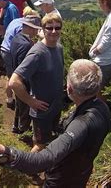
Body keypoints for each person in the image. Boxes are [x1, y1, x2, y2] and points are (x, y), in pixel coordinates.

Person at [0, 59, 111, 188]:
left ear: (70, 89)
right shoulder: (102, 107)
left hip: (60, 181)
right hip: (80, 175)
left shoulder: (81, 125)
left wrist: (1, 150)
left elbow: (41, 161)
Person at [9, 13, 64, 153]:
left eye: (57, 28)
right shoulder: (37, 53)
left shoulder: (58, 48)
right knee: (40, 145)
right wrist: (31, 101)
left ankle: (44, 165)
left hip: (55, 107)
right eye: (49, 27)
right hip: (42, 111)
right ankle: (29, 169)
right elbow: (14, 82)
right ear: (43, 29)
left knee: (48, 141)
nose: (53, 31)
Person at [0, 7, 40, 110]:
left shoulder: (15, 21)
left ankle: (11, 99)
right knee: (15, 78)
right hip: (10, 51)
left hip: (6, 48)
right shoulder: (21, 29)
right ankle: (14, 100)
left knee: (11, 75)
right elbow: (23, 43)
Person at [9, 15, 41, 134]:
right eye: (36, 29)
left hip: (16, 76)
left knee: (19, 103)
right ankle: (24, 129)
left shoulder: (16, 38)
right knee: (25, 105)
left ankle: (16, 126)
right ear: (31, 28)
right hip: (23, 81)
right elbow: (24, 67)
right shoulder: (26, 45)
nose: (37, 32)